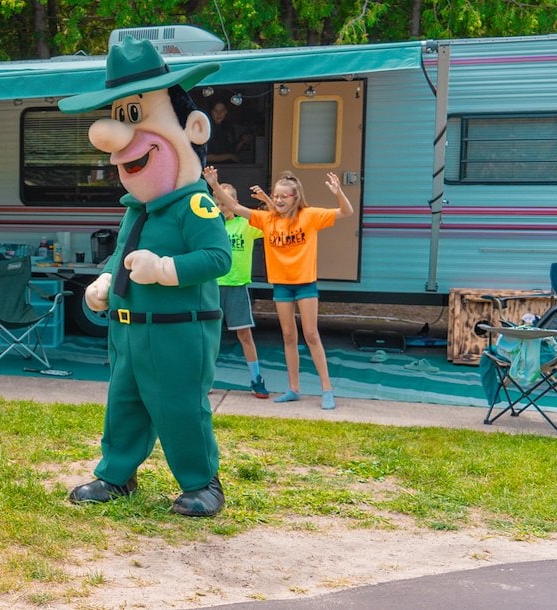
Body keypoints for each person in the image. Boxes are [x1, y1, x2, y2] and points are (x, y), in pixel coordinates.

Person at [60, 36, 232, 517]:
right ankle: (116, 474)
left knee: (180, 408)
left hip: (179, 330)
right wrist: (103, 280)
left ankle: (202, 483)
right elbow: (122, 254)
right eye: (119, 118)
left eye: (133, 117)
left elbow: (218, 259)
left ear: (190, 128)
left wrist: (166, 270)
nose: (115, 138)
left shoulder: (195, 205)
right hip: (129, 329)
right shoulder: (136, 210)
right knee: (125, 404)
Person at [218, 172, 355, 410]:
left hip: (305, 283)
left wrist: (338, 192)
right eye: (275, 195)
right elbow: (233, 205)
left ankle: (327, 389)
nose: (279, 199)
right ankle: (293, 388)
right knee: (288, 336)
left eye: (284, 196)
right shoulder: (267, 219)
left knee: (311, 334)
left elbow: (346, 212)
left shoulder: (309, 215)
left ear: (295, 197)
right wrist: (212, 184)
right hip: (281, 284)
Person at [204, 166, 269, 398]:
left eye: (225, 203)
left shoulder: (246, 224)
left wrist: (266, 200)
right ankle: (206, 380)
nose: (222, 208)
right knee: (211, 336)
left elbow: (273, 220)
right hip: (213, 287)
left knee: (244, 335)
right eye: (218, 204)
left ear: (235, 203)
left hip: (238, 287)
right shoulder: (212, 226)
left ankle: (256, 378)